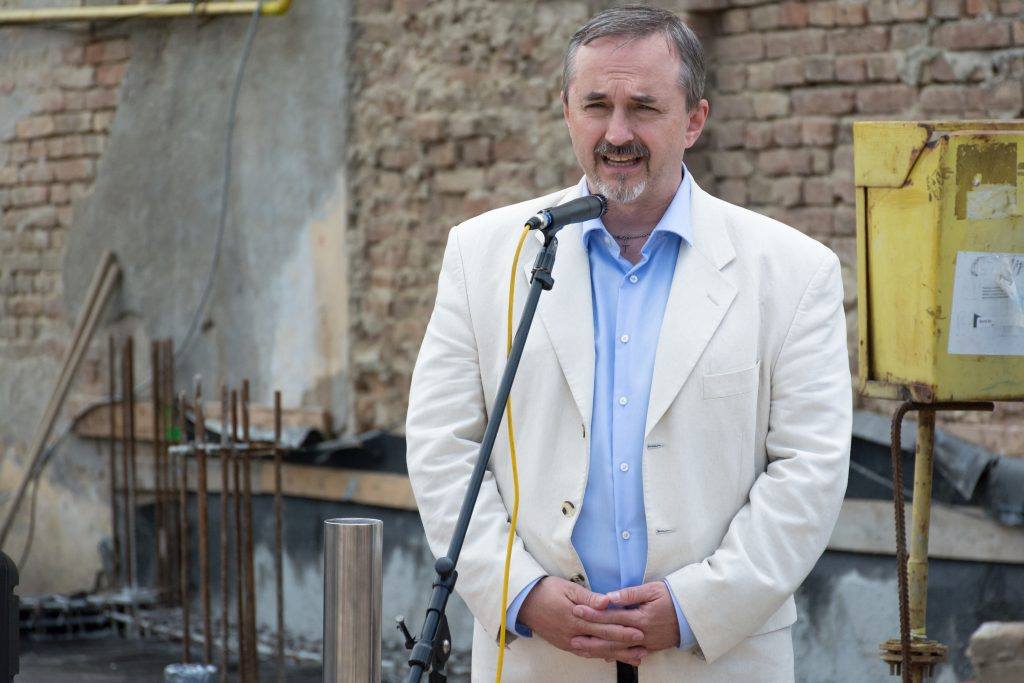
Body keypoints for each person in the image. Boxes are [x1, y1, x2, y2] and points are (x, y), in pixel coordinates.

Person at [405, 5, 851, 682]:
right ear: (566, 112)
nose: (617, 133)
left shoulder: (793, 271)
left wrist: (698, 606)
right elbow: (443, 446)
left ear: (694, 120)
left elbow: (810, 468)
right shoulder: (484, 254)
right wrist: (519, 592)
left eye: (643, 107)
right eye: (596, 106)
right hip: (540, 655)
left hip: (714, 658)